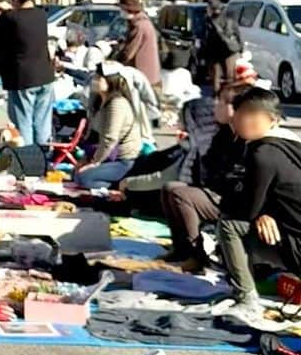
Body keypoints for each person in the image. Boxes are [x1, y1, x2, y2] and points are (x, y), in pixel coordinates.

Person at [218, 87, 301, 318]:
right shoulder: (290, 143)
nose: (237, 118)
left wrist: (260, 213)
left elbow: (243, 208)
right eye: (239, 112)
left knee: (229, 225)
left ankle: (247, 299)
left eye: (247, 113)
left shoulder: (263, 153)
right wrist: (263, 213)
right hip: (291, 233)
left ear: (270, 120)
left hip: (296, 246)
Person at [160, 82, 246, 270]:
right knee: (170, 188)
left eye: (221, 102)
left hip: (234, 203)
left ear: (234, 109)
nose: (215, 105)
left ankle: (196, 255)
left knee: (182, 195)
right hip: (215, 193)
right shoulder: (221, 134)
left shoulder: (244, 138)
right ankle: (180, 249)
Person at [0, 0, 54, 147]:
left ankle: (27, 158)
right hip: (45, 74)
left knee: (23, 121)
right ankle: (44, 155)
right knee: (42, 121)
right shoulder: (41, 15)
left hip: (23, 77)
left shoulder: (10, 17)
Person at [74, 71, 143, 189]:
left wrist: (95, 163)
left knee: (83, 178)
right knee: (75, 174)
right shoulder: (98, 101)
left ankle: (123, 187)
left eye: (99, 78)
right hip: (105, 156)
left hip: (122, 160)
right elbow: (92, 135)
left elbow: (110, 138)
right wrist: (85, 159)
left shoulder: (117, 104)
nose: (95, 81)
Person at [117, 0, 161, 88]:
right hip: (149, 75)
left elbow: (129, 53)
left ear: (128, 10)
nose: (120, 12)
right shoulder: (144, 22)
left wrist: (116, 61)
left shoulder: (138, 26)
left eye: (122, 9)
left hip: (142, 76)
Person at [202, 0, 242, 92]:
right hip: (230, 50)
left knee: (216, 76)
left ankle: (217, 97)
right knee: (230, 75)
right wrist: (240, 48)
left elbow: (206, 37)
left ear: (212, 9)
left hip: (215, 52)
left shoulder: (210, 21)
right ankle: (230, 96)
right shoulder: (229, 18)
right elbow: (237, 34)